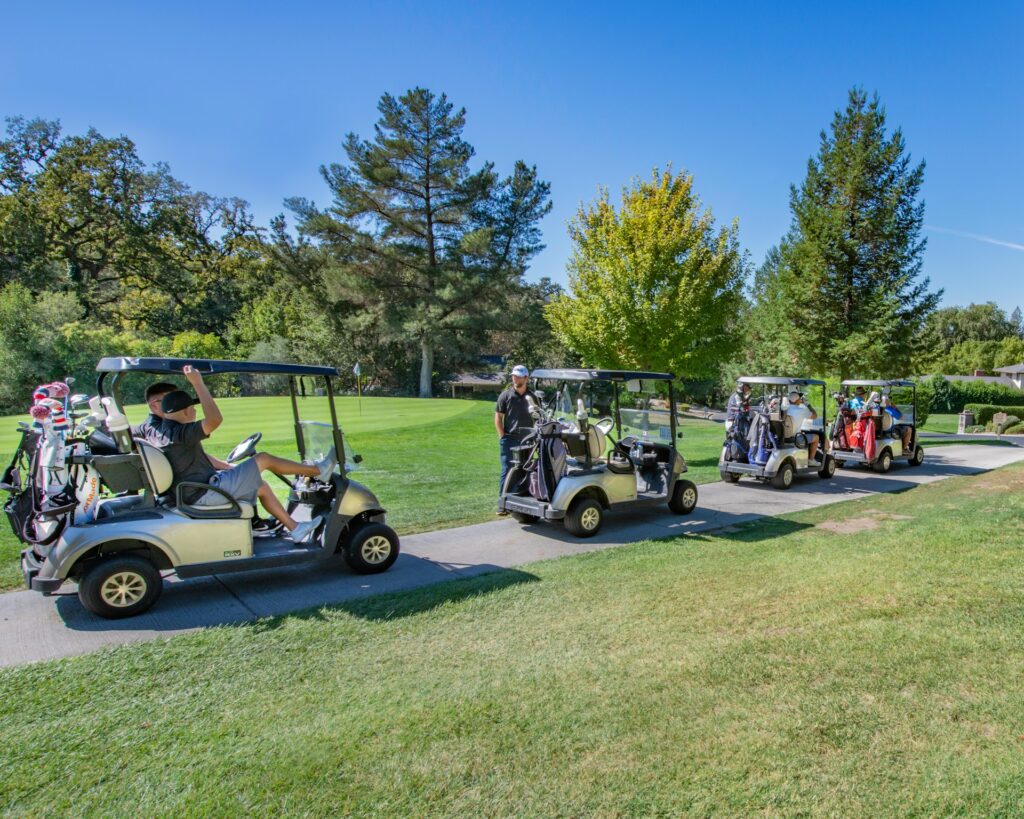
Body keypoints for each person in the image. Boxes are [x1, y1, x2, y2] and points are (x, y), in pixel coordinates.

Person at [142, 366, 335, 543]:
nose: (195, 411)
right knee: (263, 459)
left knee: (260, 485)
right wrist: (198, 383)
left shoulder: (162, 431)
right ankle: (318, 471)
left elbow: (196, 456)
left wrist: (226, 466)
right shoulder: (181, 433)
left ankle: (295, 528)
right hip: (203, 493)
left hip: (195, 489)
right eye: (193, 409)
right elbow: (215, 419)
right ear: (185, 413)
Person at [494, 364, 537, 513]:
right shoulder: (505, 396)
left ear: (526, 378)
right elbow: (498, 417)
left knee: (525, 470)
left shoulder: (533, 397)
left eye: (518, 376)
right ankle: (502, 504)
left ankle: (520, 503)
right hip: (510, 440)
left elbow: (538, 418)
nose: (515, 378)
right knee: (507, 470)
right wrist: (502, 436)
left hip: (528, 441)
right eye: (514, 376)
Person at [785, 390, 821, 462]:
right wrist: (808, 405)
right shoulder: (802, 410)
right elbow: (815, 416)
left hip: (785, 436)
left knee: (802, 433)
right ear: (797, 400)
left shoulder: (785, 409)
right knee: (816, 437)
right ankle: (811, 460)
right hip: (796, 439)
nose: (800, 400)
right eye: (799, 399)